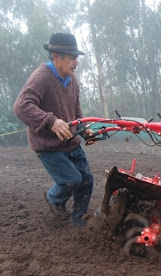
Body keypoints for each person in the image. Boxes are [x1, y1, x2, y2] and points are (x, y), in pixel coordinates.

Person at [14, 33, 94, 227]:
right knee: (71, 180)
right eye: (72, 58)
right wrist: (51, 121)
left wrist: (83, 130)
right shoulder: (41, 77)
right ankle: (54, 200)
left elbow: (76, 111)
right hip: (48, 145)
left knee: (87, 181)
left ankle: (79, 220)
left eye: (77, 58)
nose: (76, 62)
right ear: (56, 56)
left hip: (70, 141)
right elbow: (21, 106)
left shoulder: (72, 80)